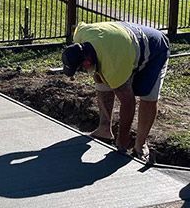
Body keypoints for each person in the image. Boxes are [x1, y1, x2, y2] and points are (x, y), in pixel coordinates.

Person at [61, 21, 170, 161]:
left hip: (155, 48)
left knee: (148, 95)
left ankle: (140, 144)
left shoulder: (112, 65)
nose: (81, 71)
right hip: (123, 42)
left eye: (81, 68)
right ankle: (104, 128)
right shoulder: (81, 35)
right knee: (99, 76)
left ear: (86, 61)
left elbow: (129, 103)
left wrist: (122, 141)